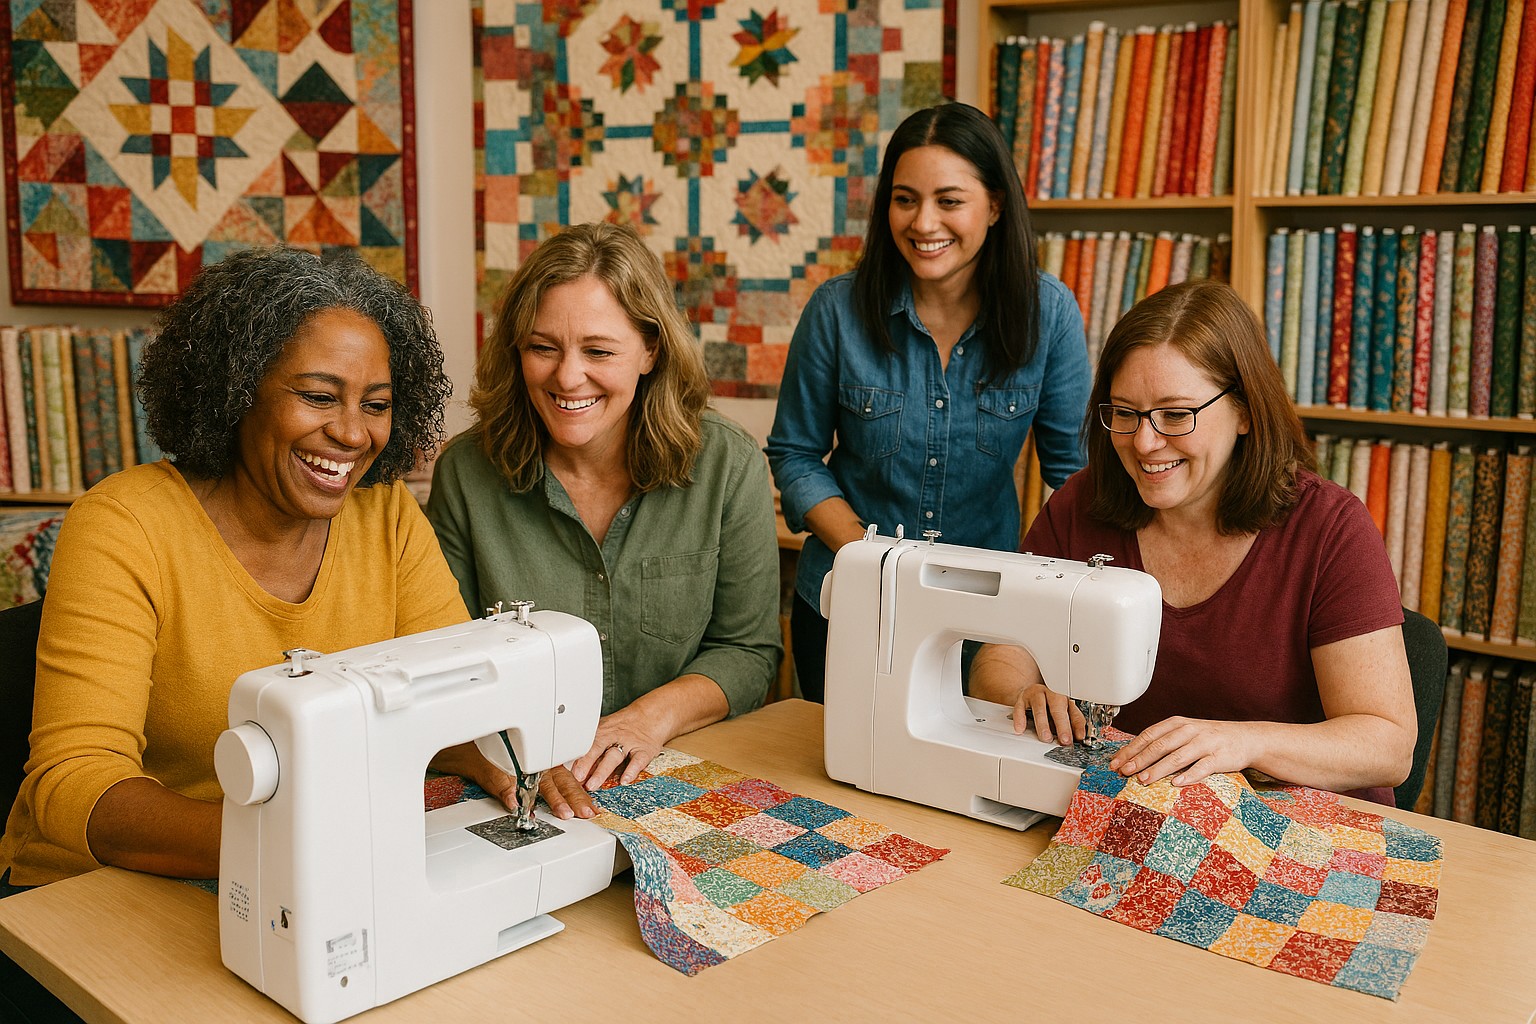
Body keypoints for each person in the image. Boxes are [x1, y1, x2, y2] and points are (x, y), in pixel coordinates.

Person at [0, 246, 471, 897]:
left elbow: (453, 705)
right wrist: (284, 842)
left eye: (377, 404)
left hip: (298, 873)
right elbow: (73, 783)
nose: (353, 433)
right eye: (317, 396)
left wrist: (517, 761)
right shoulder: (124, 525)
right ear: (236, 387)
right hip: (98, 899)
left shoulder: (385, 515)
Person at [970, 280, 1416, 805]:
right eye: (1125, 413)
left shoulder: (1330, 529)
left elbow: (1388, 745)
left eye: (1177, 414)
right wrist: (1020, 695)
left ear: (1246, 411)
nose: (1144, 443)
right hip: (1142, 820)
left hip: (1300, 836)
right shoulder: (1081, 504)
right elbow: (1000, 653)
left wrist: (1243, 741)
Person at [426, 222, 781, 820]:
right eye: (543, 347)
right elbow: (441, 663)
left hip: (679, 769)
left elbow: (747, 651)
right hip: (519, 778)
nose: (567, 377)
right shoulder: (467, 473)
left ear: (651, 350)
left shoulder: (727, 465)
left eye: (598, 351)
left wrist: (649, 719)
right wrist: (507, 754)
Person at [765, 101, 1091, 702]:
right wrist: (875, 557)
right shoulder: (836, 311)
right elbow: (795, 454)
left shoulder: (1049, 315)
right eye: (905, 198)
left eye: (949, 200)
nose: (923, 222)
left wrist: (1048, 586)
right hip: (848, 601)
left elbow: (1076, 475)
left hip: (984, 619)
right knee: (835, 789)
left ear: (994, 205)